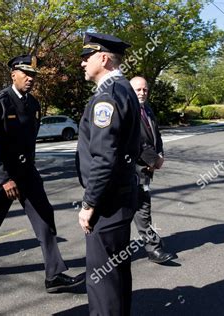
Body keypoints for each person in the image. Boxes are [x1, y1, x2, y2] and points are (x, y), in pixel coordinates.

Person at [0, 54, 84, 293]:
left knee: (45, 217)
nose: (30, 79)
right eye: (26, 74)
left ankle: (54, 275)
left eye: (33, 76)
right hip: (2, 176)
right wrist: (4, 178)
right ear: (13, 75)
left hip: (27, 173)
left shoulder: (34, 104)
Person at [76, 33, 140, 315]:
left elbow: (104, 158)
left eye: (86, 57)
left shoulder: (108, 96)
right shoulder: (124, 88)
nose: (82, 64)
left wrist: (89, 204)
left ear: (103, 58)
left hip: (108, 202)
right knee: (116, 274)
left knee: (102, 280)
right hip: (121, 195)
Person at [129, 76, 174, 264]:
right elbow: (136, 139)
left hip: (146, 170)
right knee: (129, 210)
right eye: (138, 90)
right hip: (132, 169)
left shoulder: (147, 108)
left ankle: (153, 248)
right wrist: (154, 160)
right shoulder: (127, 110)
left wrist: (160, 154)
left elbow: (156, 135)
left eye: (145, 90)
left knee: (143, 208)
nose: (142, 93)